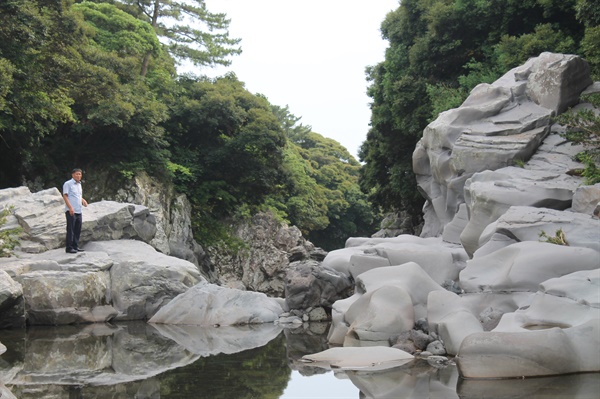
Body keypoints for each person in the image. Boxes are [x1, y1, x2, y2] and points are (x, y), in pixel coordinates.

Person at [62, 168, 88, 253]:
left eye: (80, 174)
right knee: (71, 229)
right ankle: (69, 247)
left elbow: (77, 195)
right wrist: (70, 207)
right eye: (77, 174)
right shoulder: (68, 184)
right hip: (71, 210)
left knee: (78, 229)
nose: (78, 176)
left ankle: (75, 246)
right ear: (72, 175)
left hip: (78, 210)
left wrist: (82, 200)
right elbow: (65, 196)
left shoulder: (79, 184)